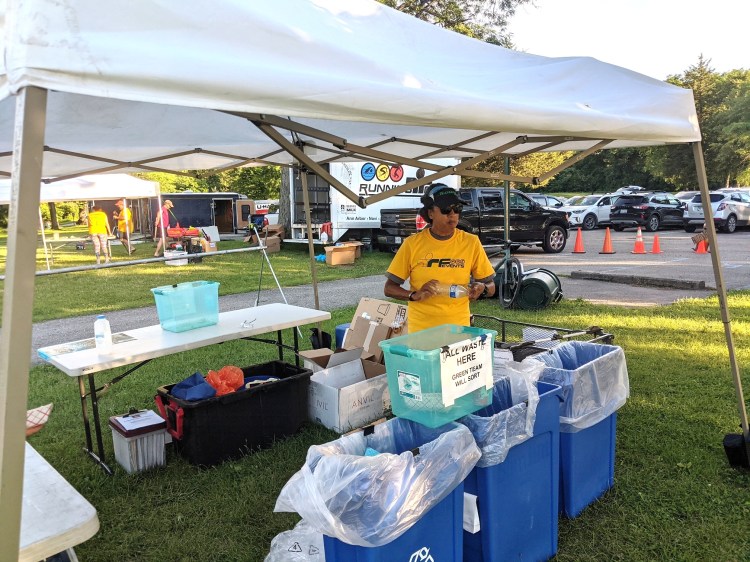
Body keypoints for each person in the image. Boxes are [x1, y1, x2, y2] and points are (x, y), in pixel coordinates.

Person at [384, 184, 496, 333]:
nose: (452, 215)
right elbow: (389, 288)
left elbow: (491, 287)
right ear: (430, 213)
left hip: (458, 331)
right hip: (421, 332)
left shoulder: (471, 242)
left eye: (457, 209)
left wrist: (481, 289)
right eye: (445, 209)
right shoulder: (412, 244)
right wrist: (412, 295)